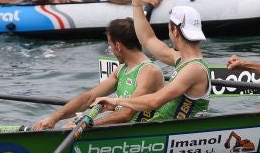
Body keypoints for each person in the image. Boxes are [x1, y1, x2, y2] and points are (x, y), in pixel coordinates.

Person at [95, 0, 211, 120]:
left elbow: (155, 100)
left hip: (172, 136)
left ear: (174, 30)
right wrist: (136, 1)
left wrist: (117, 101)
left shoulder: (194, 69)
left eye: (169, 29)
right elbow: (148, 39)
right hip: (158, 125)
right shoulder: (180, 58)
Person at [32, 18, 165, 130]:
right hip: (124, 130)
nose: (111, 49)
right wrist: (54, 118)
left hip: (145, 134)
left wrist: (85, 126)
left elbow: (126, 113)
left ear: (118, 46)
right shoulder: (121, 69)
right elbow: (88, 98)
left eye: (110, 45)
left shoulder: (148, 71)